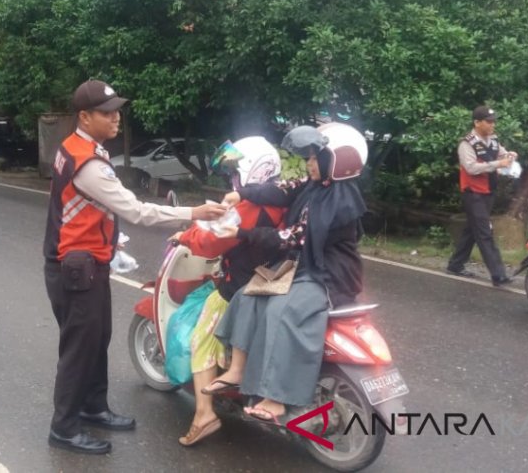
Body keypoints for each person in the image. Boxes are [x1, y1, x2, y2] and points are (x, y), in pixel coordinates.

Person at [43, 79, 226, 455]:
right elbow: (135, 210)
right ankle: (63, 427)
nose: (116, 120)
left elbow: (99, 209)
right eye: (107, 113)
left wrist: (113, 242)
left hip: (87, 261)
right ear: (84, 116)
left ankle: (94, 407)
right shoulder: (86, 162)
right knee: (80, 347)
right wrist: (193, 213)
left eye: (117, 111)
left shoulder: (80, 148)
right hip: (76, 266)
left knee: (98, 339)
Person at [208, 123, 368, 425]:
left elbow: (294, 238)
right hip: (304, 268)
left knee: (281, 310)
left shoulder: (338, 200)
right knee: (248, 295)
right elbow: (280, 189)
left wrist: (243, 232)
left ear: (336, 161)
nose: (308, 165)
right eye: (307, 158)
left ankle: (277, 398)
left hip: (329, 277)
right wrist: (239, 194)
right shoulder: (316, 186)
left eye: (313, 158)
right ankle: (238, 370)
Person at [170, 137, 285, 447]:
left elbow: (211, 241)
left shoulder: (249, 207)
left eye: (236, 171)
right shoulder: (283, 196)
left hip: (237, 287)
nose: (232, 178)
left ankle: (204, 414)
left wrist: (184, 236)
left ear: (254, 169)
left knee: (201, 340)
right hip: (272, 280)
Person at [446, 106, 517, 286]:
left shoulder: (493, 141)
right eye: (488, 121)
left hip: (488, 193)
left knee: (472, 229)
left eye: (493, 121)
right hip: (473, 193)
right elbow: (470, 167)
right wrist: (498, 164)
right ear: (477, 123)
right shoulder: (466, 144)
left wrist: (510, 156)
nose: (492, 125)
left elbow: (502, 154)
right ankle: (498, 274)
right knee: (485, 232)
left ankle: (455, 265)